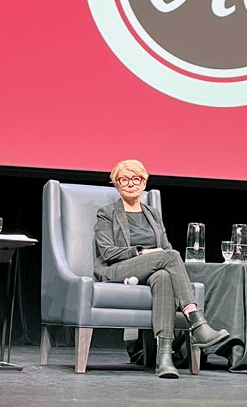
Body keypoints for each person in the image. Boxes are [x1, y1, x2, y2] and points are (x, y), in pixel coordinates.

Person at [92, 159, 229, 378]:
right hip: (117, 268)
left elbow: (165, 248)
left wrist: (157, 256)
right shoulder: (106, 213)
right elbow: (107, 252)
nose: (130, 183)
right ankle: (197, 322)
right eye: (123, 179)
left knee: (165, 276)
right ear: (116, 184)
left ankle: (164, 358)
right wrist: (143, 253)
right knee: (172, 257)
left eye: (135, 178)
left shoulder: (152, 214)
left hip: (152, 270)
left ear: (144, 182)